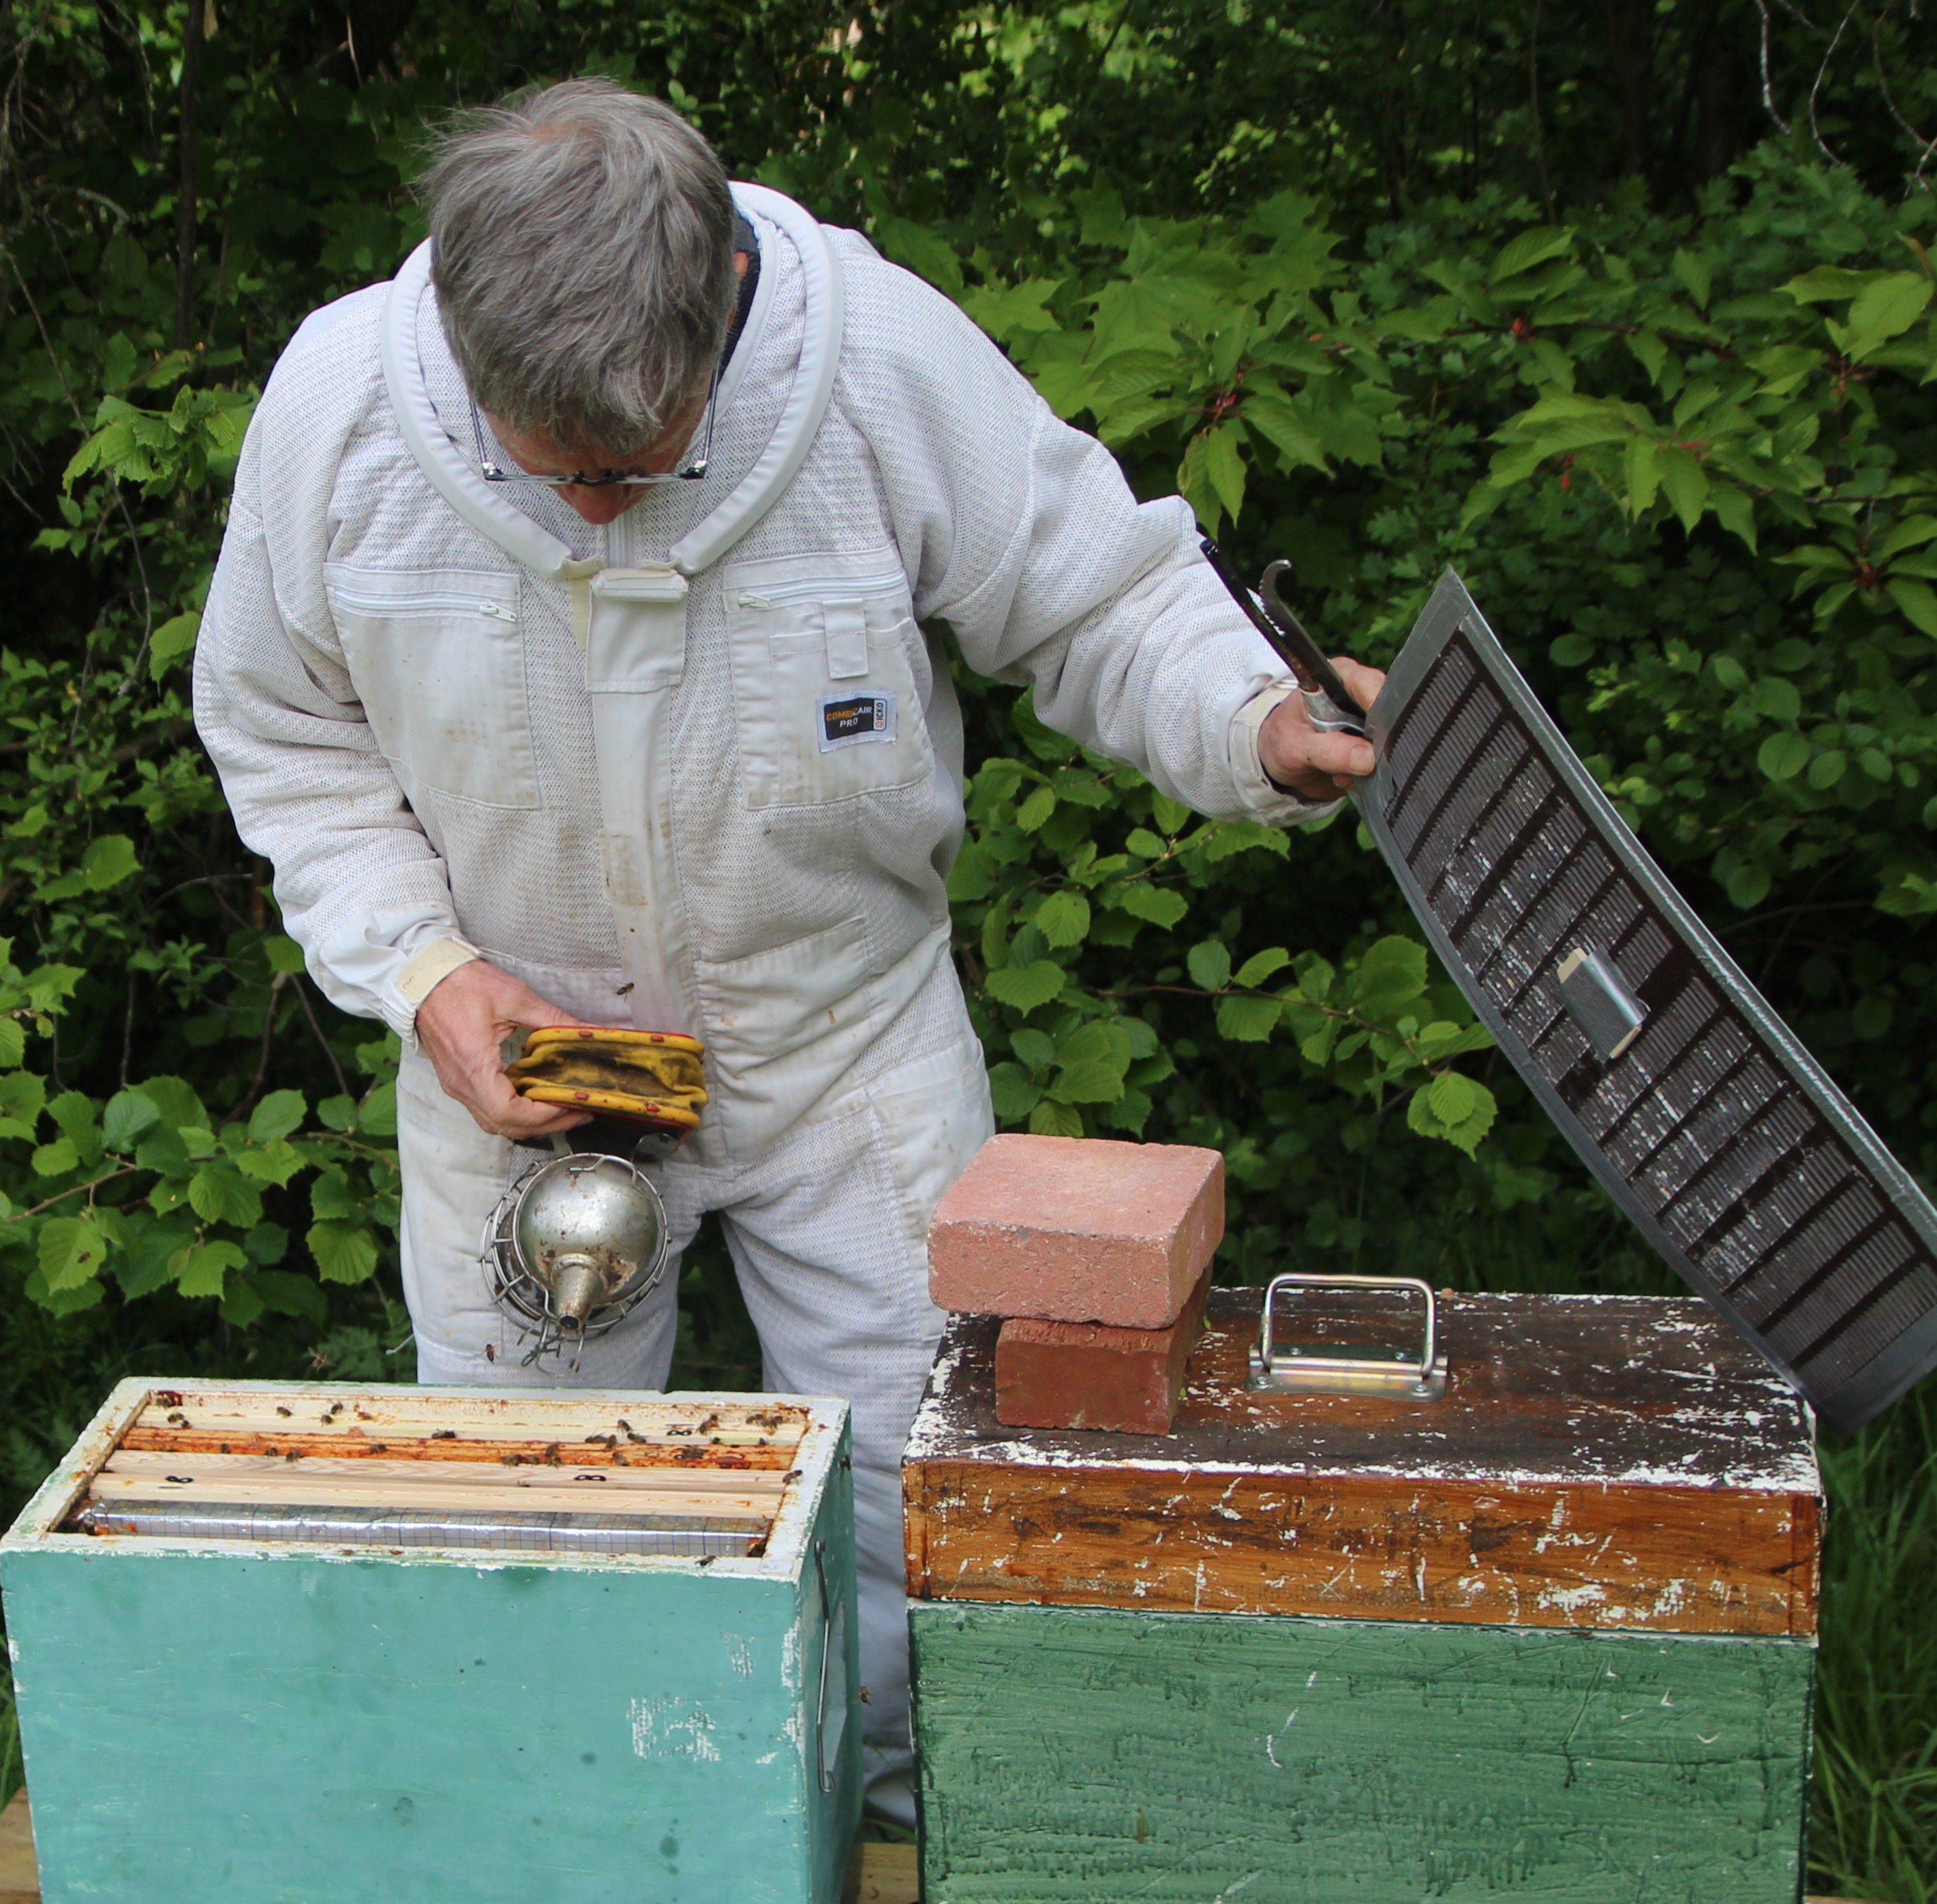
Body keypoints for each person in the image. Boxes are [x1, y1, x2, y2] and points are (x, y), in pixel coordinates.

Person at [192, 78, 1381, 1824]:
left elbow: (1100, 594)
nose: (599, 511)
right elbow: (283, 732)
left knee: (913, 1516)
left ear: (721, 304)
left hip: (843, 1050)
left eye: (633, 466)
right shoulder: (339, 410)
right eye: (556, 467)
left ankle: (896, 1836)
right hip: (532, 1071)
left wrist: (1255, 717)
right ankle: (595, 1841)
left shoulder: (874, 359)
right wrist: (426, 969)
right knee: (541, 1533)